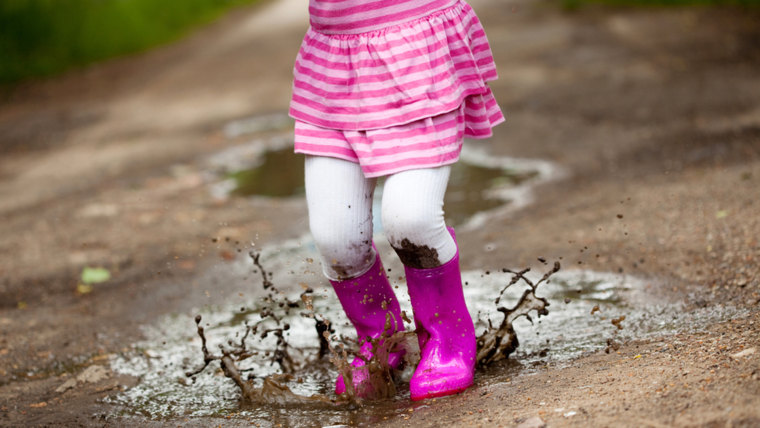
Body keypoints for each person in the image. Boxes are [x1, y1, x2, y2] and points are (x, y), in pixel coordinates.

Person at [289, 0, 504, 401]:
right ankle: (383, 342)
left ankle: (446, 339)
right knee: (338, 241)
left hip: (416, 52)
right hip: (334, 70)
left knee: (412, 221)